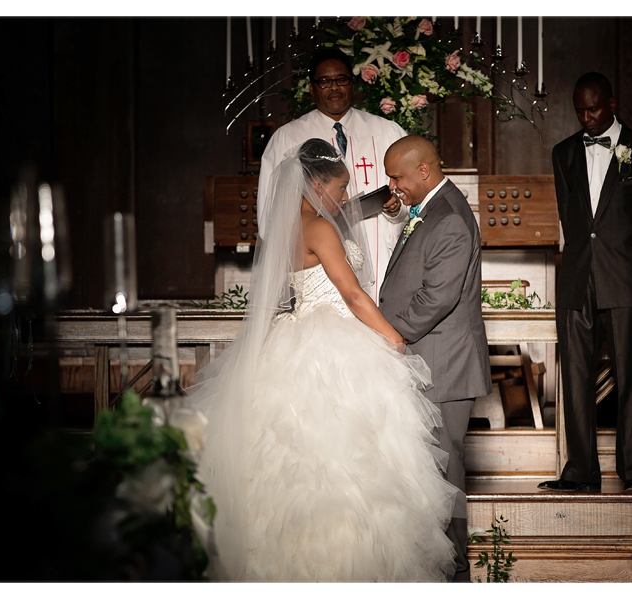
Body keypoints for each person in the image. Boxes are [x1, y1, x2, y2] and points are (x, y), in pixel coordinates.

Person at [187, 139, 458, 582]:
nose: (345, 196)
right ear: (315, 185)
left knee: (289, 464)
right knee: (344, 463)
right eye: (340, 187)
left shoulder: (286, 229)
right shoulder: (320, 229)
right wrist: (394, 339)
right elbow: (352, 295)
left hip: (292, 338)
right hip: (332, 343)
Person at [539, 72, 632, 493]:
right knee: (576, 376)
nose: (587, 117)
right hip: (578, 278)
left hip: (626, 280)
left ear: (612, 103)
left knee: (630, 377)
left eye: (594, 108)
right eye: (580, 110)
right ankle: (581, 471)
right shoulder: (563, 152)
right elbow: (573, 219)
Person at [379, 135, 492, 582]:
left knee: (444, 475)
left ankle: (455, 573)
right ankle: (433, 568)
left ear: (423, 171)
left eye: (397, 176)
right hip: (429, 361)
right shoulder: (431, 208)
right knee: (428, 473)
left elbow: (436, 299)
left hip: (442, 366)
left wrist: (387, 334)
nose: (393, 186)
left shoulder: (449, 218)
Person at [257, 47, 408, 301]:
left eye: (342, 80)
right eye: (325, 81)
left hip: (381, 258)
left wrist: (397, 209)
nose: (334, 87)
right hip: (320, 275)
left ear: (353, 83)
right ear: (311, 88)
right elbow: (269, 218)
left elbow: (413, 199)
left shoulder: (387, 131)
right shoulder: (288, 138)